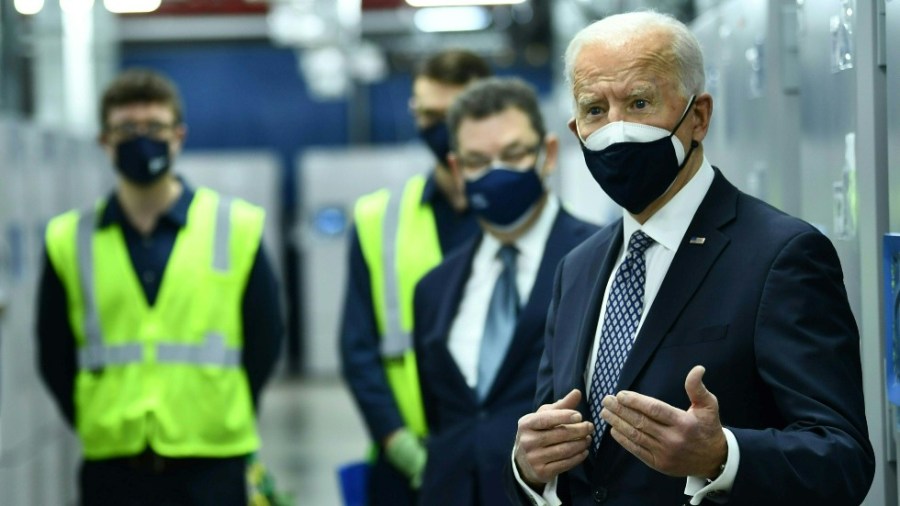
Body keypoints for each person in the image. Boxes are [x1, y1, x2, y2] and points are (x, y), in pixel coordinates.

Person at [509, 10, 875, 506]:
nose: (616, 130)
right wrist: (530, 469)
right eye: (596, 110)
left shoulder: (780, 255)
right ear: (577, 130)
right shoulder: (578, 267)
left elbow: (843, 460)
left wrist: (722, 457)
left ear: (698, 116)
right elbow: (563, 453)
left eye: (639, 103)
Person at [36, 68, 283, 506]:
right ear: (104, 141)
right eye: (126, 129)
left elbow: (265, 338)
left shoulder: (235, 227)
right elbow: (54, 352)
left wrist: (217, 410)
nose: (141, 139)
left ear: (179, 136)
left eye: (154, 127)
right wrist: (97, 418)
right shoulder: (68, 239)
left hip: (213, 461)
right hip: (113, 466)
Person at [413, 77, 597, 506]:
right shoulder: (434, 288)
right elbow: (441, 416)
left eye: (513, 154)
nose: (496, 172)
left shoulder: (604, 261)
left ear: (547, 154)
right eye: (478, 160)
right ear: (458, 171)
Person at [339, 49, 492, 505]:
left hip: (512, 458)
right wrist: (397, 442)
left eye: (454, 114)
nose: (440, 130)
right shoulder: (378, 219)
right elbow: (358, 347)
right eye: (428, 114)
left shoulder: (530, 219)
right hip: (406, 464)